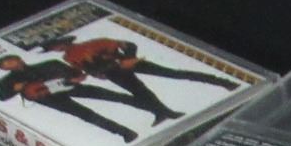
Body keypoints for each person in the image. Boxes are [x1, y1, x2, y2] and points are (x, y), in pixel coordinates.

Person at [40, 34, 239, 124]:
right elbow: (82, 70)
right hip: (113, 73)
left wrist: (128, 59)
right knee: (140, 92)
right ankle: (162, 112)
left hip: (126, 64)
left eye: (56, 45)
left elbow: (128, 45)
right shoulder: (68, 58)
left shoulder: (94, 43)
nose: (57, 49)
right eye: (53, 48)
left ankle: (225, 82)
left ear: (64, 42)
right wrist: (86, 76)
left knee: (174, 74)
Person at [0, 54, 148, 142]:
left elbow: (75, 73)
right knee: (87, 115)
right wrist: (14, 89)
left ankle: (147, 104)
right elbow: (2, 96)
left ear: (18, 58)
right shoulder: (7, 81)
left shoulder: (49, 64)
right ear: (3, 69)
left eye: (10, 61)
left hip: (67, 86)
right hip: (50, 99)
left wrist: (77, 77)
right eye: (5, 65)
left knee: (108, 95)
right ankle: (125, 133)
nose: (9, 65)